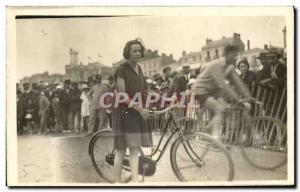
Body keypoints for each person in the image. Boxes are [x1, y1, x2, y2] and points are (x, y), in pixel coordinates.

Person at [192, 45, 254, 142]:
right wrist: (238, 100)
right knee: (219, 109)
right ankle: (215, 139)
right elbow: (223, 85)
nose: (236, 58)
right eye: (233, 55)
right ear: (226, 55)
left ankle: (207, 129)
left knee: (226, 110)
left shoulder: (229, 67)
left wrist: (249, 97)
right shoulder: (217, 65)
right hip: (201, 90)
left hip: (213, 91)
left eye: (236, 55)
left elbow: (238, 83)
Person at [112, 38, 152, 183]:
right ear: (127, 53)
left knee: (134, 149)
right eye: (134, 51)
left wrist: (166, 100)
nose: (137, 53)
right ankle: (117, 183)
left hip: (136, 113)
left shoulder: (139, 68)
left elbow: (145, 90)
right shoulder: (121, 69)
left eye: (139, 51)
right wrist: (140, 108)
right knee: (121, 150)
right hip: (125, 113)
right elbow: (122, 95)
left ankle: (135, 182)